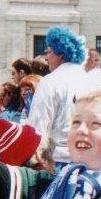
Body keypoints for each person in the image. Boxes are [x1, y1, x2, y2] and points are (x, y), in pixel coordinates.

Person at [28, 26, 93, 167]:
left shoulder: (50, 81)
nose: (46, 57)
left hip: (58, 161)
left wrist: (36, 162)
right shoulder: (92, 81)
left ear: (61, 54)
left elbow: (38, 127)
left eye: (49, 52)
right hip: (89, 161)